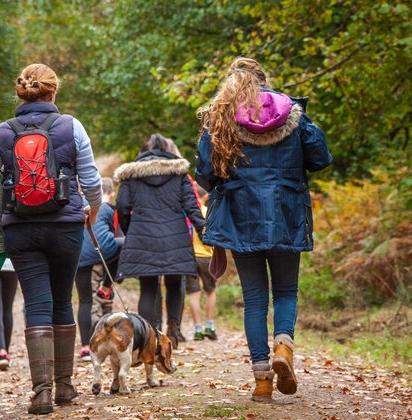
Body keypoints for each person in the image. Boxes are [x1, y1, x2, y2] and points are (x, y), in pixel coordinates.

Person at [194, 57, 332, 403]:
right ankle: (283, 346)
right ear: (264, 80)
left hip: (241, 217)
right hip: (286, 212)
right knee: (286, 291)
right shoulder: (293, 114)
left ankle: (262, 382)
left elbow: (205, 172)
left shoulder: (221, 118)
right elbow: (319, 158)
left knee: (255, 299)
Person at [0, 63, 102, 414]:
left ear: (20, 93)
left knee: (37, 305)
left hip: (21, 230)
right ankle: (65, 386)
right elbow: (91, 182)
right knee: (63, 301)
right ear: (53, 91)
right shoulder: (71, 126)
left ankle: (41, 392)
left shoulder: (2, 132)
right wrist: (92, 211)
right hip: (66, 227)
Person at [114, 134, 206, 348]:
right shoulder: (179, 173)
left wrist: (131, 230)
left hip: (142, 235)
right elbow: (191, 205)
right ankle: (173, 332)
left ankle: (149, 337)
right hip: (175, 235)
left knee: (148, 288)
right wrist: (203, 230)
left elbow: (122, 207)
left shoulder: (131, 175)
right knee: (175, 284)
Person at [74, 179, 120, 362]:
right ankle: (106, 287)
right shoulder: (107, 208)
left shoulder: (77, 205)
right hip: (100, 250)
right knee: (125, 246)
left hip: (78, 255)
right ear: (110, 193)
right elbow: (114, 234)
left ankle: (85, 348)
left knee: (84, 300)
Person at [185, 184, 218, 341]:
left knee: (193, 293)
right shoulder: (208, 213)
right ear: (206, 196)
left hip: (189, 257)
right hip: (207, 256)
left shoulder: (187, 213)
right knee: (210, 291)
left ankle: (197, 329)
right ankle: (209, 326)